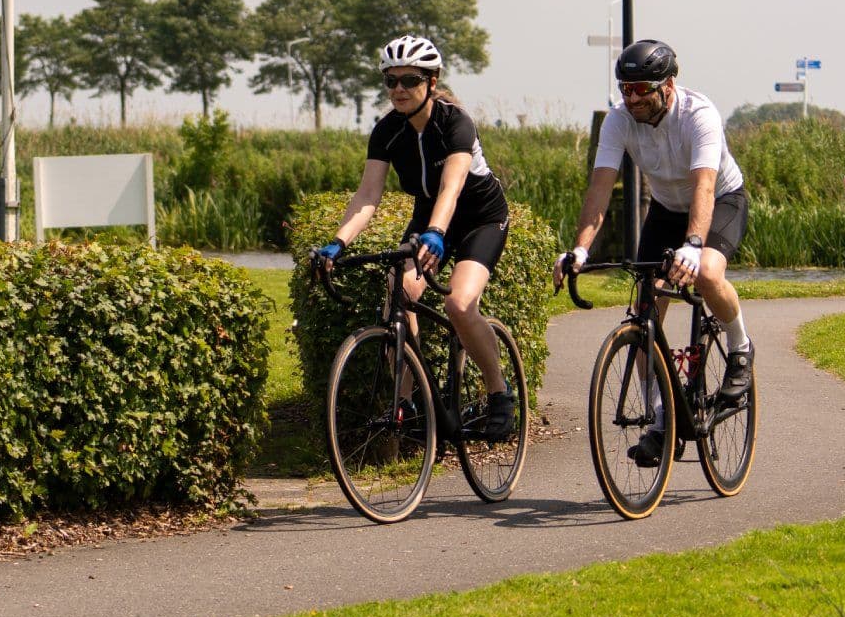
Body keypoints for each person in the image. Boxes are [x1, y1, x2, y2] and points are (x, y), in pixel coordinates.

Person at [552, 38, 752, 467]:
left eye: (643, 88)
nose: (633, 97)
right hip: (665, 208)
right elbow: (600, 189)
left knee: (708, 274)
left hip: (719, 200)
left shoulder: (699, 115)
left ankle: (740, 347)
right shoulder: (619, 121)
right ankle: (664, 421)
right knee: (645, 312)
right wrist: (580, 251)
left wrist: (695, 246)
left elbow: (704, 186)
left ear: (669, 85)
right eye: (626, 89)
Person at [311, 34, 515, 441]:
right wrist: (338, 242)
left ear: (432, 82)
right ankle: (408, 404)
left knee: (458, 303)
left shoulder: (455, 122)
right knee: (399, 292)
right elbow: (368, 196)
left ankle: (499, 393)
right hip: (429, 216)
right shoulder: (387, 130)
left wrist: (437, 234)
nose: (399, 89)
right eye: (391, 81)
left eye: (410, 80)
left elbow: (451, 187)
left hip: (479, 218)